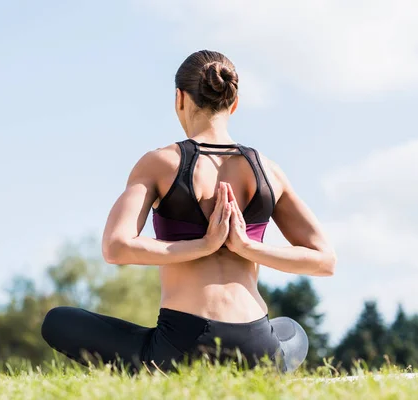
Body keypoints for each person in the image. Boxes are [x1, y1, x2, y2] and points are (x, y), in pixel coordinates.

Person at [41, 50, 336, 374]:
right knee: (291, 332)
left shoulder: (161, 163)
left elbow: (116, 247)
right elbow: (325, 260)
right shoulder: (269, 170)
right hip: (258, 349)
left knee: (59, 321)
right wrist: (247, 246)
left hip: (182, 346)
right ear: (233, 104)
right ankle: (262, 368)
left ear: (180, 98)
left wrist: (203, 245)